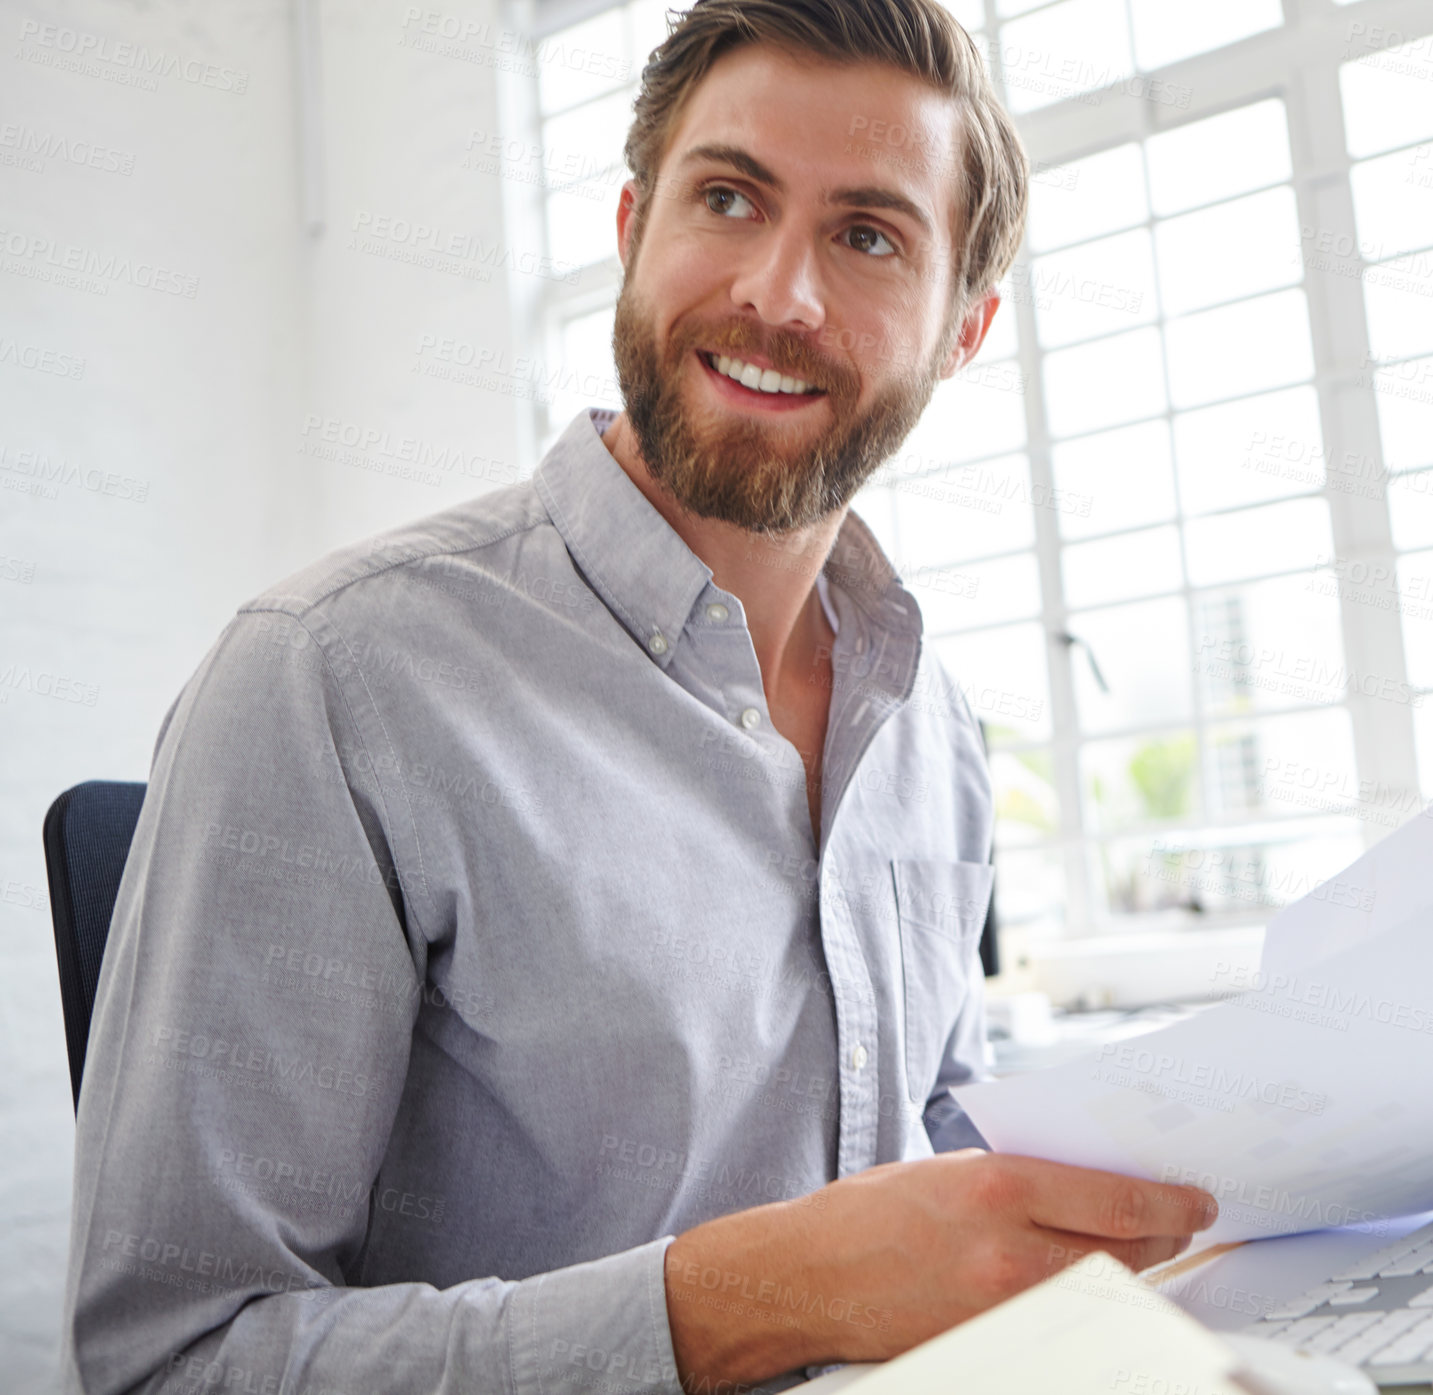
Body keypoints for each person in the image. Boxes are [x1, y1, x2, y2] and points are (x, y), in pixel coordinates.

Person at [62, 2, 1218, 1392]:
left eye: (867, 236)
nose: (777, 294)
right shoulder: (333, 681)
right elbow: (169, 1365)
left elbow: (928, 1150)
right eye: (727, 198)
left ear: (960, 328)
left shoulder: (931, 729)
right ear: (630, 230)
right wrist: (758, 1299)